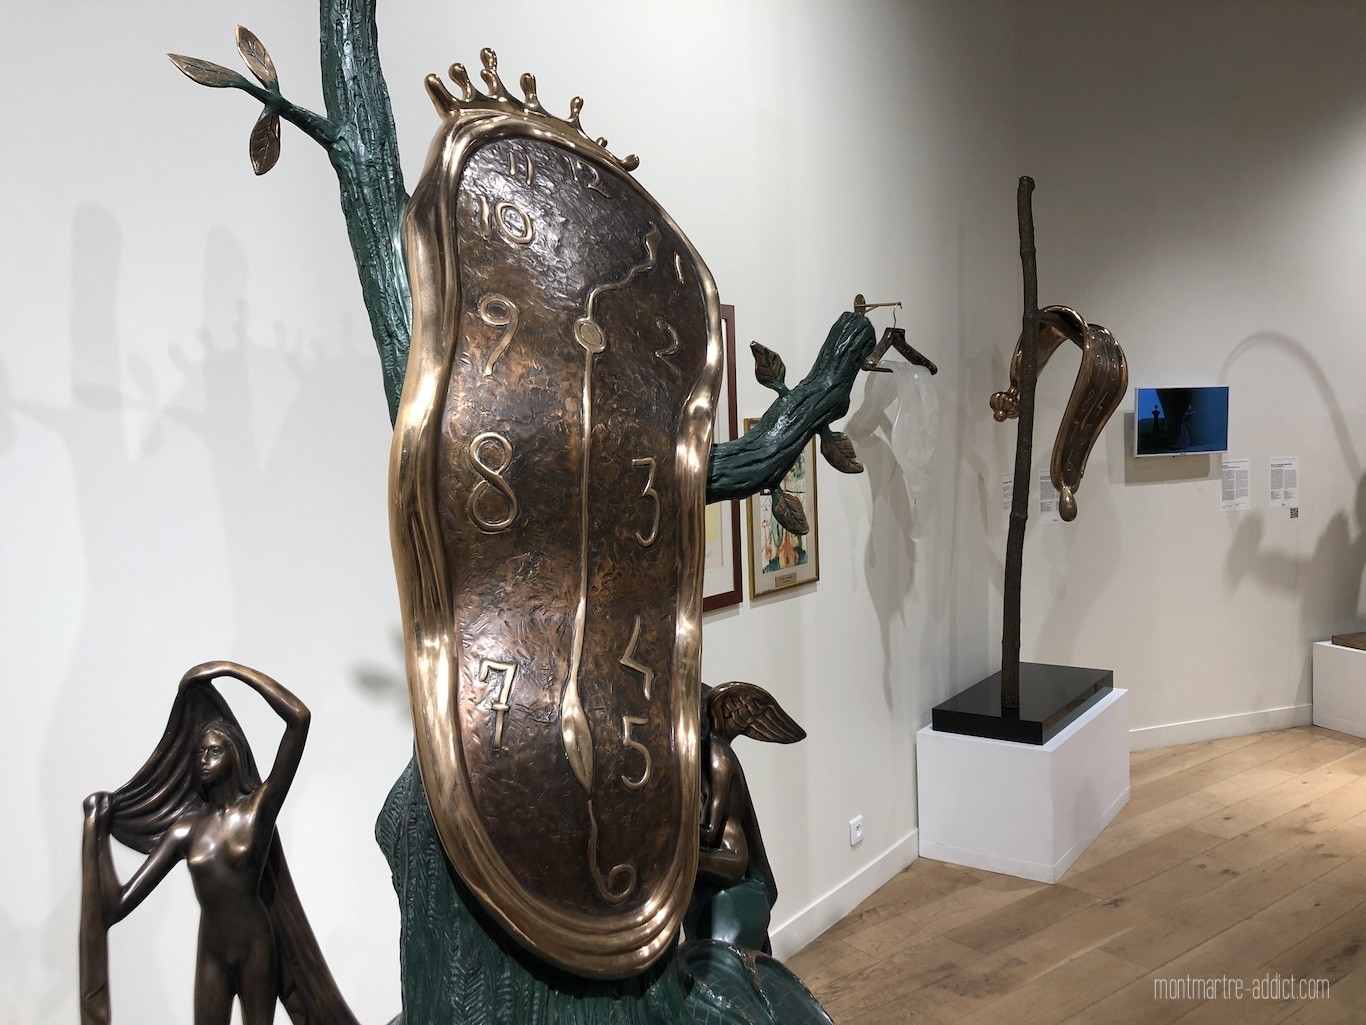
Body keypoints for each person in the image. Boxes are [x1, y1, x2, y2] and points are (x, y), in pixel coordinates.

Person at [80, 662, 358, 1025]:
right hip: (212, 952)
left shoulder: (257, 812)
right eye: (199, 754)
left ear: (234, 754)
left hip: (257, 948)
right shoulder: (186, 830)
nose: (203, 761)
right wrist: (97, 835)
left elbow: (299, 719)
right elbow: (116, 904)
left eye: (213, 751)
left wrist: (228, 670)